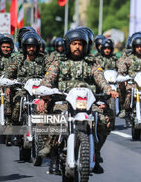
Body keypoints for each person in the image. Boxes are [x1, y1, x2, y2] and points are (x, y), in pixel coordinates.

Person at [37, 29, 118, 174]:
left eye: (80, 44)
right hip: (64, 101)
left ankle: (96, 152)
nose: (77, 47)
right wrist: (44, 94)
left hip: (88, 102)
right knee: (49, 119)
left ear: (85, 46)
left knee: (105, 118)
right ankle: (54, 154)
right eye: (74, 44)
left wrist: (108, 90)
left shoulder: (91, 62)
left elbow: (100, 78)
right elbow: (48, 80)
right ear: (68, 45)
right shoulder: (59, 62)